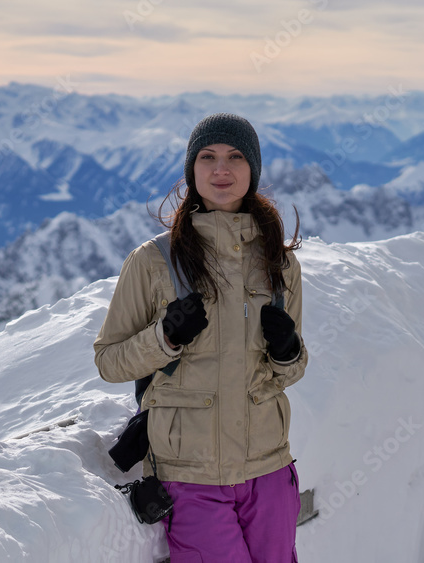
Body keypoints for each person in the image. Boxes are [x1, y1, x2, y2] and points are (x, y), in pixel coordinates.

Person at [94, 113, 307, 562]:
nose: (220, 169)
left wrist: (288, 351)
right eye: (207, 157)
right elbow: (109, 361)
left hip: (269, 468)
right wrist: (164, 337)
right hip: (188, 477)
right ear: (192, 170)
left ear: (253, 170)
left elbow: (289, 371)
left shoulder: (279, 264)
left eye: (234, 157)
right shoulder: (153, 261)